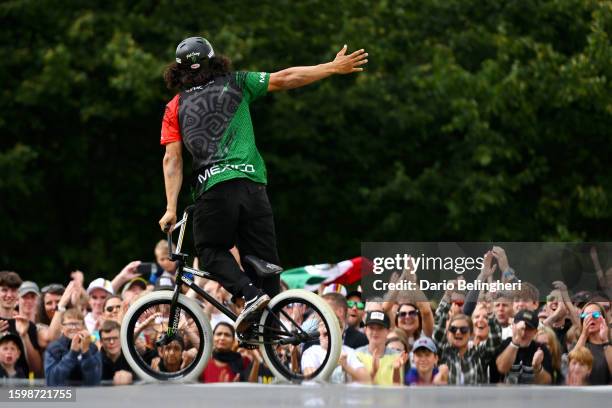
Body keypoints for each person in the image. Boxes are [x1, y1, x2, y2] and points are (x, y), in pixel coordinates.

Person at [157, 36, 368, 332]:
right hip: (253, 189)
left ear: (178, 71)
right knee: (266, 268)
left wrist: (170, 209)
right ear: (214, 60)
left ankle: (249, 295)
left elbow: (172, 160)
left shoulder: (174, 107)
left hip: (214, 191)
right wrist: (331, 68)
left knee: (210, 252)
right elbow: (285, 79)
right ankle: (274, 342)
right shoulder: (237, 82)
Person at [0, 271, 43, 377]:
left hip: (19, 390)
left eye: (13, 290)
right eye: (4, 290)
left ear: (18, 294)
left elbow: (36, 370)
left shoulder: (27, 325)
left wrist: (24, 336)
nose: (9, 295)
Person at [44, 308, 101, 386]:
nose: (74, 328)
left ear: (83, 326)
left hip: (87, 394)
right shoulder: (53, 348)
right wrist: (72, 354)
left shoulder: (92, 348)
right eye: (70, 324)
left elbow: (95, 380)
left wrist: (86, 352)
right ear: (62, 327)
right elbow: (52, 380)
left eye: (77, 324)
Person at [495, 309, 553, 385]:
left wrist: (537, 367)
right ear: (513, 326)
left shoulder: (541, 349)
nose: (523, 332)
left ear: (535, 332)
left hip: (531, 395)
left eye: (528, 329)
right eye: (520, 328)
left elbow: (546, 382)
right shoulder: (505, 344)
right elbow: (502, 368)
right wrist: (515, 342)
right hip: (508, 395)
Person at [355, 311, 399, 385]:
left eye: (380, 328)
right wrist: (374, 371)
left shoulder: (398, 357)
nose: (375, 332)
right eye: (371, 328)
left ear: (388, 331)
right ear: (365, 330)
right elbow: (357, 388)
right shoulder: (356, 355)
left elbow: (401, 389)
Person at [573, 302, 611, 385]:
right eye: (586, 315)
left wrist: (605, 340)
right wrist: (584, 335)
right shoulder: (579, 345)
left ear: (604, 319)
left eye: (595, 315)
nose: (590, 318)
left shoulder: (609, 345)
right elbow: (571, 366)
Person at [98, 320, 133, 385]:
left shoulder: (132, 358)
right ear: (101, 342)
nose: (111, 342)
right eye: (107, 339)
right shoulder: (95, 362)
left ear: (122, 338)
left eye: (115, 338)